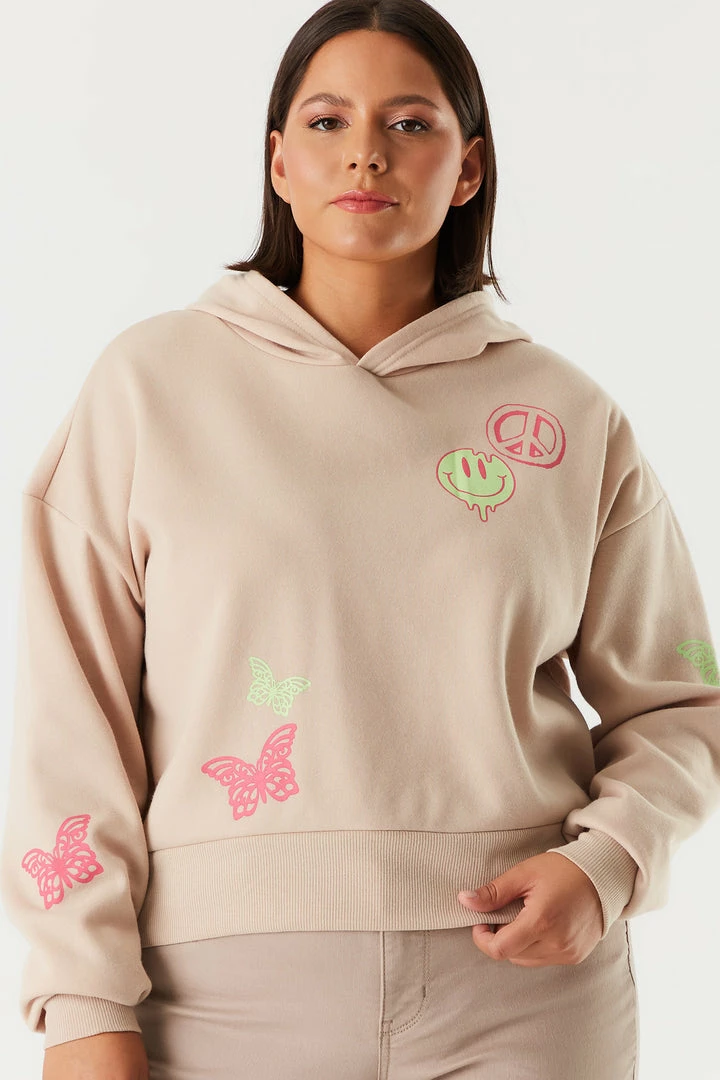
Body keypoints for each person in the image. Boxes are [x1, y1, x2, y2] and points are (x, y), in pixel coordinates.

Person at [2, 1, 719, 1078]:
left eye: (411, 123)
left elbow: (681, 698)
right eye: (329, 121)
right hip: (218, 1000)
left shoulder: (568, 417)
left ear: (469, 168)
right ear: (278, 162)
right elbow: (72, 716)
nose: (367, 153)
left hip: (527, 998)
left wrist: (608, 864)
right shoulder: (150, 388)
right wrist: (81, 1006)